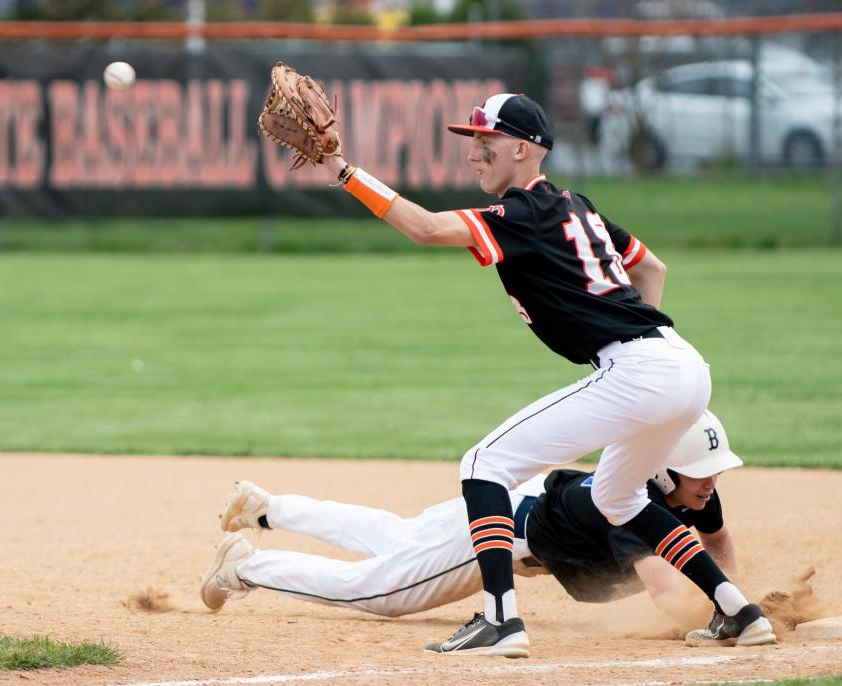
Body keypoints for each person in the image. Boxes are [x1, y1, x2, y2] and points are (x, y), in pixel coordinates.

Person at [292, 92, 773, 656]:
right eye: (471, 142)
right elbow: (650, 265)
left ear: (523, 148)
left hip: (639, 368)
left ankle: (501, 621)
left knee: (483, 463)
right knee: (618, 498)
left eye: (485, 142)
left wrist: (344, 172)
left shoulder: (523, 214)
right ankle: (738, 610)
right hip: (683, 364)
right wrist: (644, 343)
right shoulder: (578, 206)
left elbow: (423, 228)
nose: (473, 154)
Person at [200, 411, 772, 649]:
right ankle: (245, 564)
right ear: (663, 468)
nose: (709, 485)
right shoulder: (629, 502)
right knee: (379, 594)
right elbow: (667, 593)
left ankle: (271, 508)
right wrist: (717, 614)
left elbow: (716, 539)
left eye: (713, 473)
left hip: (517, 502)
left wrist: (732, 592)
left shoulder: (688, 488)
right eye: (699, 474)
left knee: (398, 537)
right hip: (491, 540)